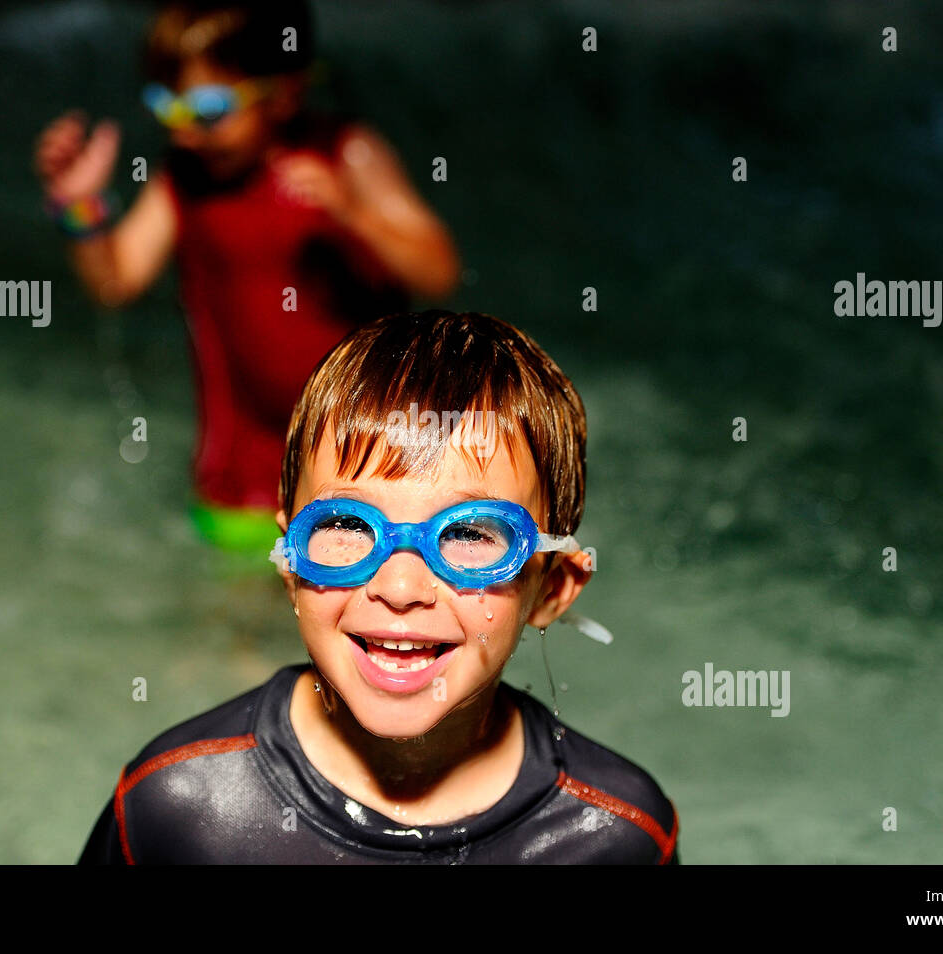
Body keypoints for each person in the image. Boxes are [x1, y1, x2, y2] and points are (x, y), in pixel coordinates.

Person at [79, 310, 679, 863]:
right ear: (289, 562)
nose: (399, 586)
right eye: (346, 525)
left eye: (469, 533)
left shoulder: (617, 837)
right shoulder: (177, 807)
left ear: (553, 587)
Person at [33, 1, 460, 553]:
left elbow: (439, 271)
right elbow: (116, 282)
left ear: (284, 93)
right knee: (230, 631)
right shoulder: (185, 179)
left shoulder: (346, 156)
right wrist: (81, 206)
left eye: (208, 111)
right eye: (167, 107)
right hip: (236, 475)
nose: (185, 132)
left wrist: (355, 215)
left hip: (366, 464)